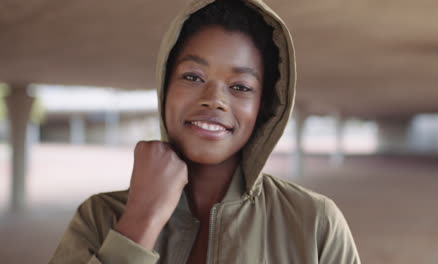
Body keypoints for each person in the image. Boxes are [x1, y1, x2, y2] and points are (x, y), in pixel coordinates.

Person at [50, 0, 361, 263]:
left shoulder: (315, 222)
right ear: (164, 88)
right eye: (193, 77)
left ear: (263, 108)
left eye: (240, 86)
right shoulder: (100, 217)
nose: (214, 99)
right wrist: (141, 220)